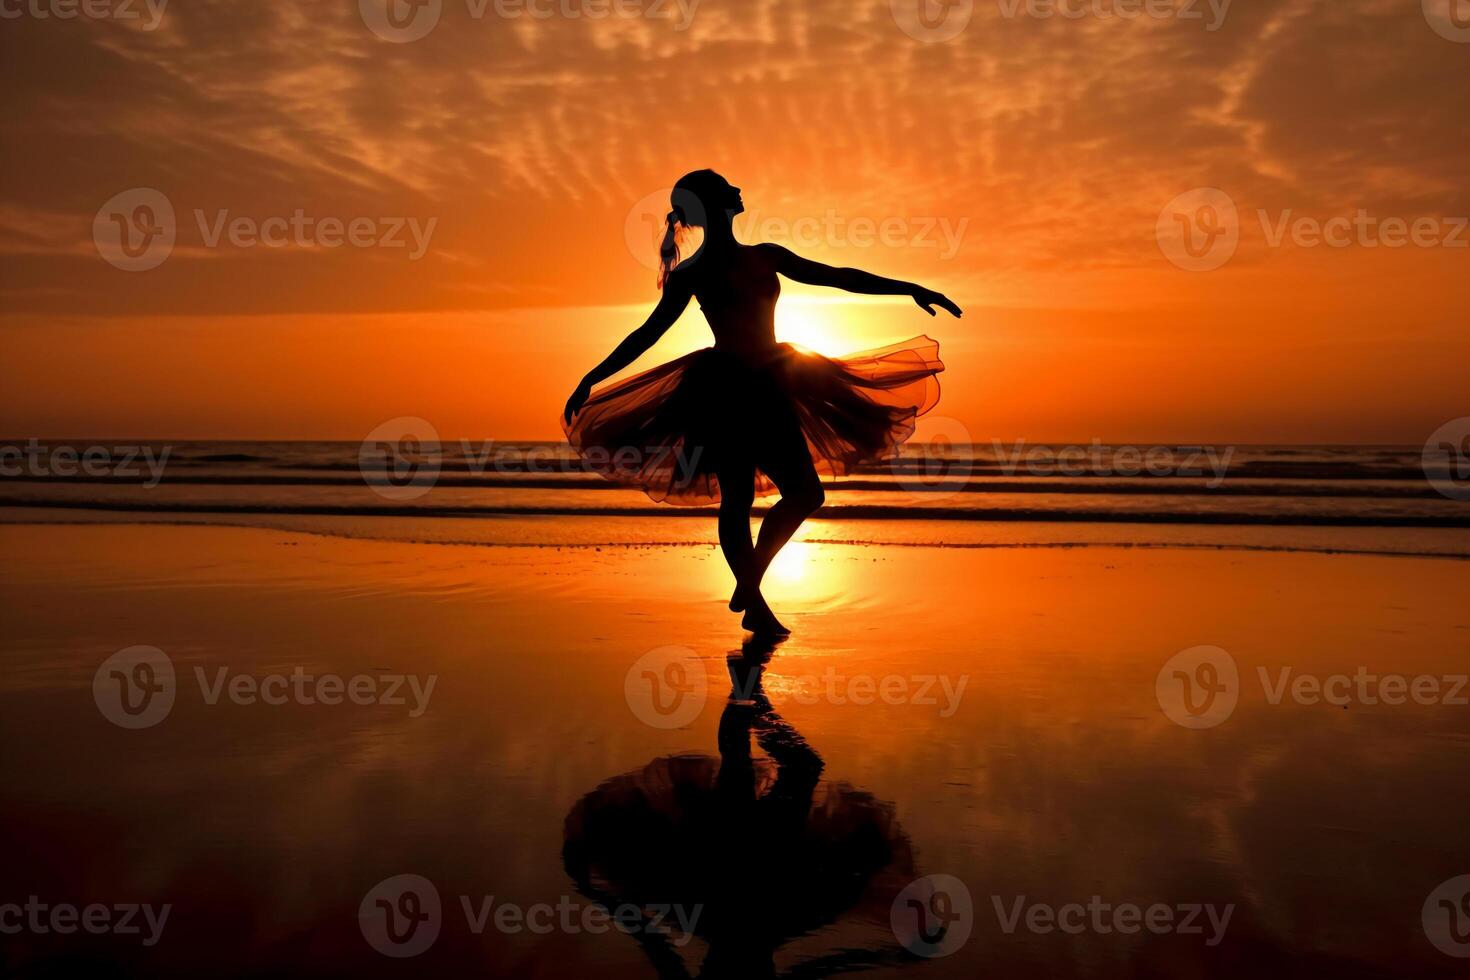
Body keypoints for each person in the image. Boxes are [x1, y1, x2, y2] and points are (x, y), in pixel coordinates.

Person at [563, 170, 960, 634]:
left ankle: (748, 584)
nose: (739, 189)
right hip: (726, 387)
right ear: (714, 205)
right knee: (739, 496)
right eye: (727, 187)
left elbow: (839, 277)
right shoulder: (694, 274)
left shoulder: (765, 256)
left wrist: (910, 287)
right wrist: (593, 376)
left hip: (772, 380)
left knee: (805, 493)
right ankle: (755, 602)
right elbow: (648, 333)